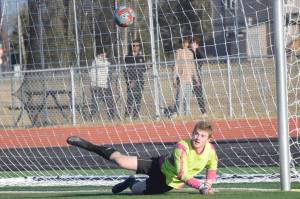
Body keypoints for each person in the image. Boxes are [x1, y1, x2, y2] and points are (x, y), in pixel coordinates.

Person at [66, 121, 218, 195]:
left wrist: (208, 184)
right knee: (120, 161)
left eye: (202, 135)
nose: (197, 137)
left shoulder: (211, 151)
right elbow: (182, 174)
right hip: (157, 165)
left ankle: (132, 181)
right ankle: (88, 145)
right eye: (195, 133)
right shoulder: (182, 147)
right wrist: (201, 186)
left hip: (167, 182)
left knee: (136, 190)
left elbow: (212, 167)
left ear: (209, 139)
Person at [173, 37, 199, 116]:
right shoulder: (179, 52)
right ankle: (179, 115)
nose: (185, 44)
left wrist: (196, 79)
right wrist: (174, 78)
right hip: (182, 79)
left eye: (186, 42)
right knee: (179, 99)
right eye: (183, 42)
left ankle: (187, 115)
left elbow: (193, 66)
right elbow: (176, 65)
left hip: (189, 80)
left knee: (187, 100)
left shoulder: (190, 53)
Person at [123, 39, 146, 120]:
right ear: (131, 47)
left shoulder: (141, 57)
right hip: (132, 82)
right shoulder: (128, 57)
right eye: (134, 45)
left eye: (137, 45)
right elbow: (125, 71)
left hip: (140, 81)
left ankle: (135, 116)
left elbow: (144, 69)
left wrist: (148, 65)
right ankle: (127, 116)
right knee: (130, 99)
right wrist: (129, 81)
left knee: (138, 100)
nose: (135, 47)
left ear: (139, 47)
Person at [89, 49, 116, 120]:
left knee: (110, 101)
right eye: (102, 53)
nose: (104, 55)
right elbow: (92, 74)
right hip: (97, 86)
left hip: (105, 86)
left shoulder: (107, 62)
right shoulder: (96, 62)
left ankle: (111, 117)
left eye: (105, 53)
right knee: (95, 103)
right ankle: (92, 117)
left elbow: (109, 72)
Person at [190, 38, 206, 114]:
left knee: (199, 95)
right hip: (187, 77)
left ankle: (203, 112)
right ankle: (182, 112)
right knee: (183, 95)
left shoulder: (199, 52)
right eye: (191, 44)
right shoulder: (189, 52)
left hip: (196, 77)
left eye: (194, 44)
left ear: (197, 45)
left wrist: (196, 50)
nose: (192, 45)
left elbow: (203, 57)